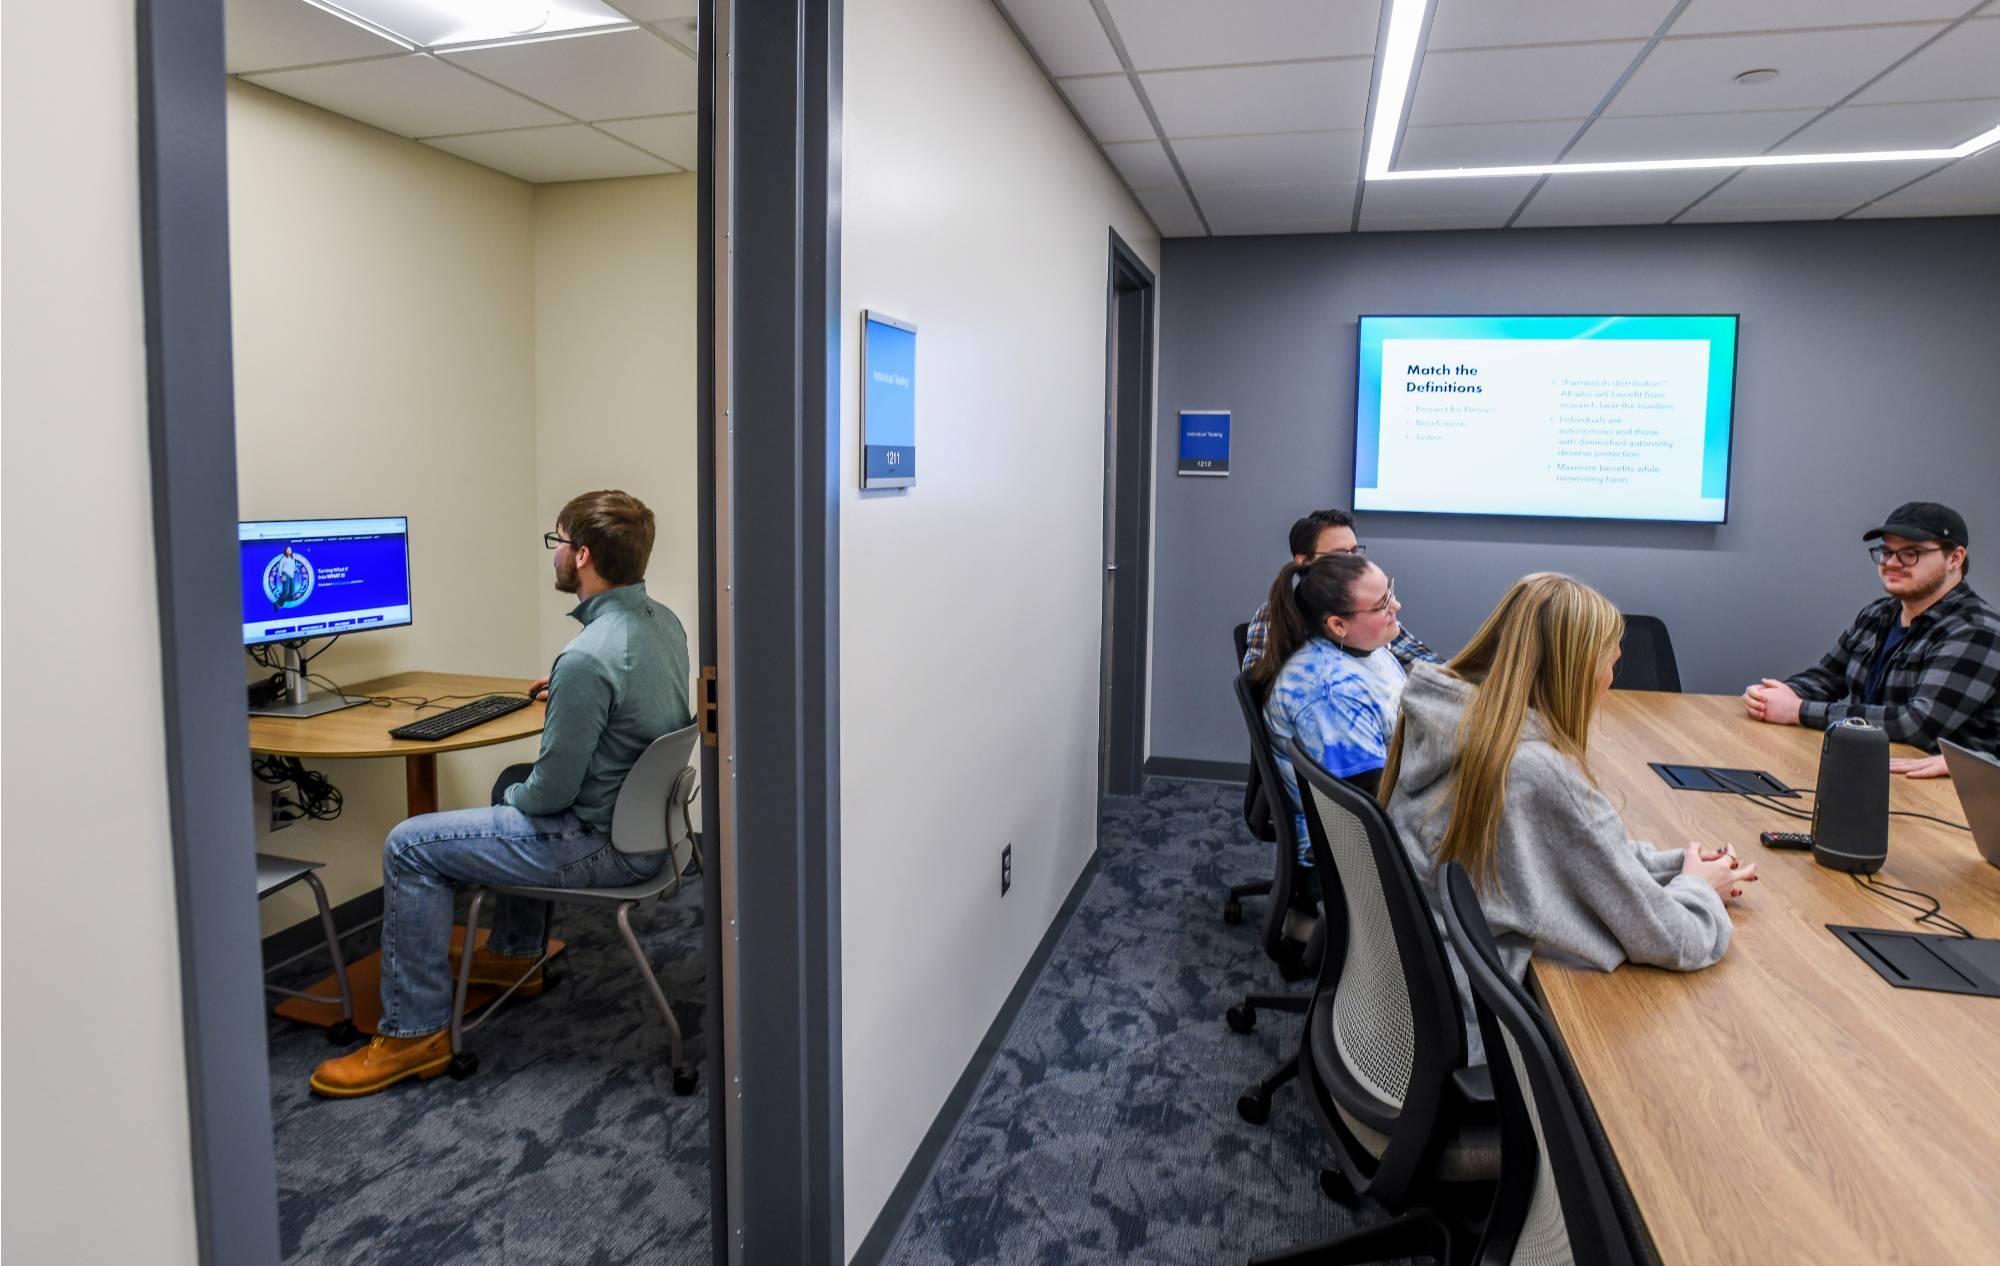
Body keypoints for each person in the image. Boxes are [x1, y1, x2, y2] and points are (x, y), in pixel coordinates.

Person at [311, 490, 691, 1098]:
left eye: (558, 543)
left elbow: (550, 794)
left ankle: (414, 1034)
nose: (555, 556)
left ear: (583, 555)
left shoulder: (587, 657)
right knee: (509, 777)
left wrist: (511, 805)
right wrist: (565, 696)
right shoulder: (660, 622)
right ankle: (517, 954)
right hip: (654, 831)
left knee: (411, 845)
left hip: (602, 846)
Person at [1384, 573, 1753, 1060]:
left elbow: (1576, 851)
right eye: (1611, 665)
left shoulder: (1452, 722)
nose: (1612, 681)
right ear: (1576, 671)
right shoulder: (1537, 773)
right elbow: (1672, 940)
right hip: (1473, 1024)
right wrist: (1700, 890)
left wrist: (1678, 867)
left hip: (1405, 996)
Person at [1744, 502, 1999, 772]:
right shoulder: (1878, 614)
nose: (1891, 563)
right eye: (1886, 552)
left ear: (1955, 558)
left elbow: (1914, 724)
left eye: (1910, 553)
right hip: (1871, 769)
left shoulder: (1975, 629)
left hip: (1945, 795)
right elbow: (1825, 678)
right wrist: (1773, 695)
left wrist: (1797, 710)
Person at [1249, 552, 1410, 877]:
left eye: (1390, 591)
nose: (1397, 607)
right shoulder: (1331, 693)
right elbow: (1365, 811)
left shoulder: (1369, 649)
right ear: (1337, 625)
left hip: (1390, 803)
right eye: (1382, 605)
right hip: (1348, 855)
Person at [1242, 508, 1436, 672]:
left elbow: (1425, 661)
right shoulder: (1276, 617)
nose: (1353, 561)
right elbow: (1258, 688)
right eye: (1340, 555)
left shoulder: (1370, 611)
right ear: (1304, 561)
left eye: (1354, 551)